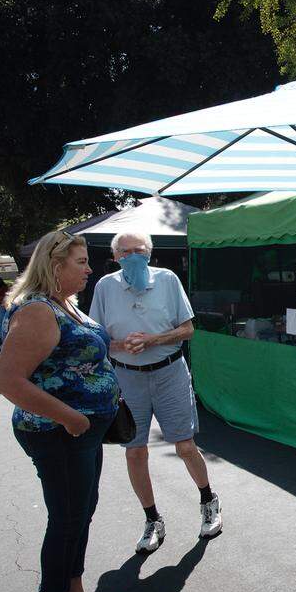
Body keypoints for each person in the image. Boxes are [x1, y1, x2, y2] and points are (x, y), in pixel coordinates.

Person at [0, 231, 121, 592]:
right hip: (58, 433)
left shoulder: (65, 304)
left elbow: (75, 355)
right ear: (54, 266)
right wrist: (70, 418)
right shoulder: (37, 311)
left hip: (82, 432)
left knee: (82, 511)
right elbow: (8, 380)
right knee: (66, 519)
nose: (89, 268)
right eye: (81, 262)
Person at [89, 231, 221, 554]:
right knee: (134, 451)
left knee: (185, 445)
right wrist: (120, 345)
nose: (133, 256)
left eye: (139, 250)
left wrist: (152, 340)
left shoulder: (167, 280)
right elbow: (96, 336)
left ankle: (208, 500)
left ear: (149, 253)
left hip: (169, 372)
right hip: (127, 377)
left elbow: (188, 329)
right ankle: (152, 519)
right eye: (125, 251)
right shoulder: (105, 287)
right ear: (115, 256)